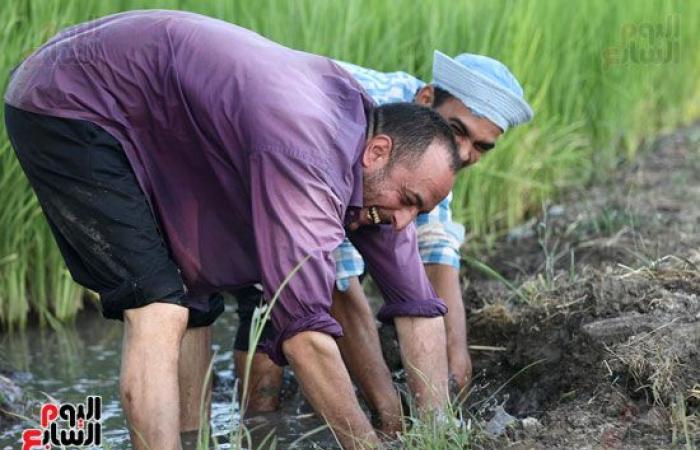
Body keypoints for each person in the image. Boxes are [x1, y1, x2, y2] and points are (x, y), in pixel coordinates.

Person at [4, 10, 461, 450]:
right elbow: (305, 336)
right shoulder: (308, 154)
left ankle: (191, 438)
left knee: (192, 295)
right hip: (69, 99)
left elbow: (418, 307)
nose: (403, 221)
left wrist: (436, 431)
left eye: (417, 212)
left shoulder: (374, 160)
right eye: (409, 202)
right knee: (158, 305)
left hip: (156, 116)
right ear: (378, 151)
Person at [234, 51, 534, 431]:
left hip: (315, 194)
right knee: (271, 306)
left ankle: (300, 414)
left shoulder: (432, 149)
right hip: (267, 170)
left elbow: (436, 247)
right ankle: (260, 425)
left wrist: (455, 360)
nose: (463, 153)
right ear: (426, 99)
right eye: (458, 131)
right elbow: (337, 275)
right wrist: (388, 414)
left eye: (481, 146)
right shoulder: (368, 116)